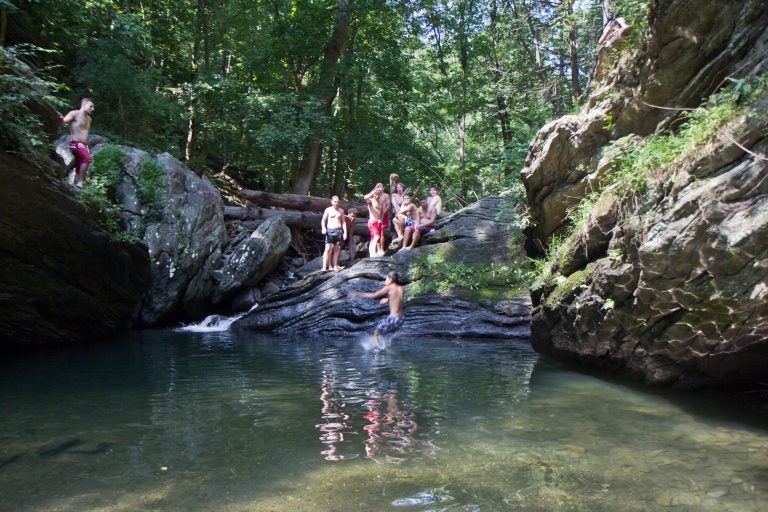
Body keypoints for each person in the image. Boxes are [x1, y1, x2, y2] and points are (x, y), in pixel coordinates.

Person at [349, 271, 404, 350]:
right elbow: (397, 298)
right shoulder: (400, 288)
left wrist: (357, 294)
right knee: (383, 333)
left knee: (376, 332)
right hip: (401, 319)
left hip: (393, 319)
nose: (385, 281)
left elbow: (374, 295)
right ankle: (385, 347)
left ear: (391, 279)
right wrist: (387, 299)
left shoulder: (389, 288)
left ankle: (375, 356)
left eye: (386, 279)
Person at [59, 98, 95, 188]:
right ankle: (80, 183)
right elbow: (62, 122)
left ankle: (76, 188)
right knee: (87, 159)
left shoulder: (89, 119)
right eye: (91, 106)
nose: (93, 109)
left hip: (84, 145)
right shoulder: (74, 113)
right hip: (75, 143)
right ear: (84, 104)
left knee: (79, 166)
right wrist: (59, 118)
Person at [595, 16, 630, 81]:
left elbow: (627, 29)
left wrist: (621, 23)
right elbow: (600, 41)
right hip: (610, 50)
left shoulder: (618, 30)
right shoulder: (611, 32)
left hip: (615, 50)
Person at [320, 195, 348, 272]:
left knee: (337, 250)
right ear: (332, 202)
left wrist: (345, 232)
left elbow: (343, 222)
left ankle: (335, 265)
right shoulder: (328, 210)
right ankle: (324, 267)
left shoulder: (341, 211)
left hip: (338, 231)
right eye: (335, 202)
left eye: (337, 202)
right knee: (328, 249)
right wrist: (323, 228)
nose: (336, 203)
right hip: (330, 231)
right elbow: (323, 220)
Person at [364, 184, 386, 257]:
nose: (377, 195)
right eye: (375, 194)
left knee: (374, 237)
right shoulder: (371, 200)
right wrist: (373, 191)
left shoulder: (378, 201)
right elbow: (365, 197)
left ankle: (372, 252)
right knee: (376, 237)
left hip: (378, 221)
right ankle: (373, 253)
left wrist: (380, 219)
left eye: (378, 194)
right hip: (372, 221)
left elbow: (379, 212)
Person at [376, 182, 391, 255]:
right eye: (378, 187)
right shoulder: (376, 195)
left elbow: (388, 205)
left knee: (381, 232)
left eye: (380, 186)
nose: (379, 188)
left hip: (384, 215)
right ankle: (378, 249)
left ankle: (381, 249)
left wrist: (384, 212)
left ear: (383, 188)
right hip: (376, 215)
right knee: (376, 232)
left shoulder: (386, 195)